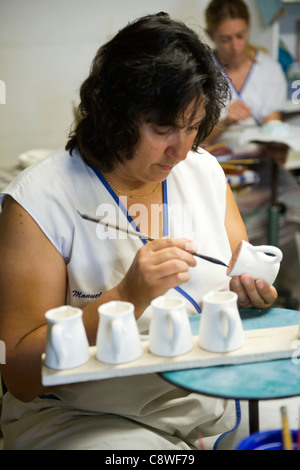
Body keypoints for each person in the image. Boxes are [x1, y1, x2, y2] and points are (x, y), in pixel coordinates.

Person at [0, 12, 277, 450]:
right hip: (86, 416)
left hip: (212, 400)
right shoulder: (39, 202)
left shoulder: (203, 171)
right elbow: (18, 373)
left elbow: (239, 285)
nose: (181, 150)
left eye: (192, 127)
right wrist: (124, 298)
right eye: (164, 128)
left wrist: (253, 297)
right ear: (115, 116)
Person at [204, 0, 300, 306]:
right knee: (230, 199)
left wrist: (277, 143)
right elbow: (195, 136)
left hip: (258, 157)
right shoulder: (203, 71)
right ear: (210, 35)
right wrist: (226, 119)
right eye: (225, 38)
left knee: (291, 195)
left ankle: (279, 276)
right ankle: (238, 274)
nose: (235, 45)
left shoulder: (268, 68)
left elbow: (272, 123)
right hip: (218, 156)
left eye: (241, 36)